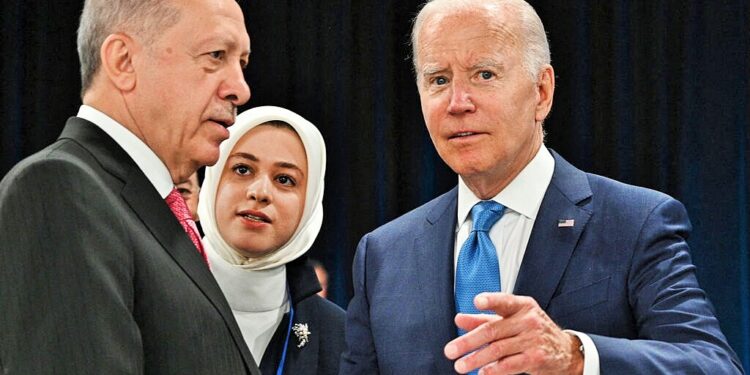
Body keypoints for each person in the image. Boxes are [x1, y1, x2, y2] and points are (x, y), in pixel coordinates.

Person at [340, 0, 744, 374]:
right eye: (439, 79)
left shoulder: (635, 224)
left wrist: (574, 355)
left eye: (484, 74)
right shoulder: (382, 254)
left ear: (542, 92)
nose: (457, 101)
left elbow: (713, 364)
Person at [0, 0, 259, 373]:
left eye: (242, 63)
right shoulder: (60, 188)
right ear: (123, 61)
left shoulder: (148, 207)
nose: (241, 89)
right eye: (215, 55)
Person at [198, 106, 345, 374]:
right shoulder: (147, 298)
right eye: (242, 169)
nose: (260, 192)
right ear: (214, 180)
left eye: (285, 179)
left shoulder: (341, 338)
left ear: (310, 203)